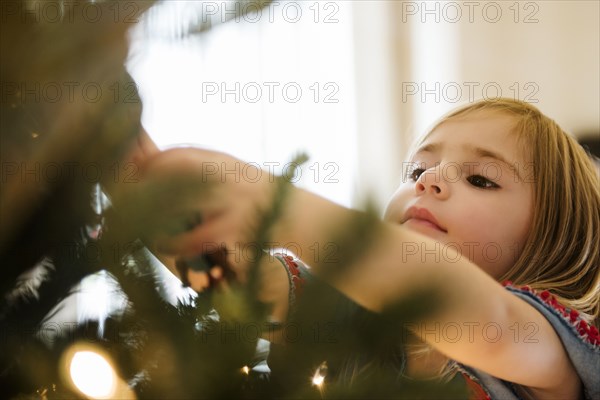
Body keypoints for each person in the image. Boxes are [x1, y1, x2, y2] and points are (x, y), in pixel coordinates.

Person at [121, 98, 599, 399]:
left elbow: (486, 320)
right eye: (416, 171)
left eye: (480, 179)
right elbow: (232, 286)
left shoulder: (543, 351)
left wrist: (274, 205)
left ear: (556, 237)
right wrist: (132, 178)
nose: (430, 180)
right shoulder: (351, 323)